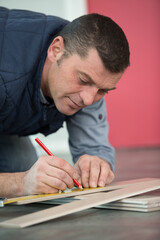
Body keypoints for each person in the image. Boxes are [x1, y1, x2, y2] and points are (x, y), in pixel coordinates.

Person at [0, 7, 130, 197]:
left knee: (24, 166)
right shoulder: (5, 72)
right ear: (56, 50)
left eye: (102, 90)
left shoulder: (89, 76)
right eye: (84, 80)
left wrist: (96, 164)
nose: (88, 100)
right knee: (21, 179)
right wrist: (18, 183)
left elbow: (94, 148)